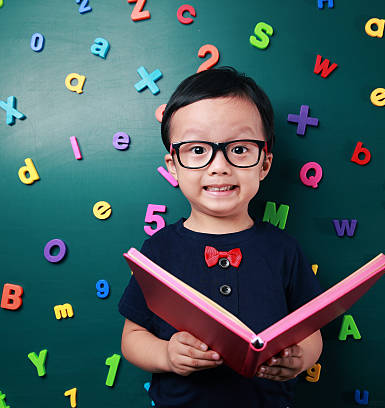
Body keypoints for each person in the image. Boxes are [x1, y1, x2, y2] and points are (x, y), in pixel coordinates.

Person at [118, 66, 323, 408]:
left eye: (240, 149)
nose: (219, 166)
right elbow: (132, 338)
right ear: (173, 165)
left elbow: (311, 333)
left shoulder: (283, 248)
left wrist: (300, 358)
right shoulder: (158, 250)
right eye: (197, 150)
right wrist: (167, 355)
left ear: (265, 163)